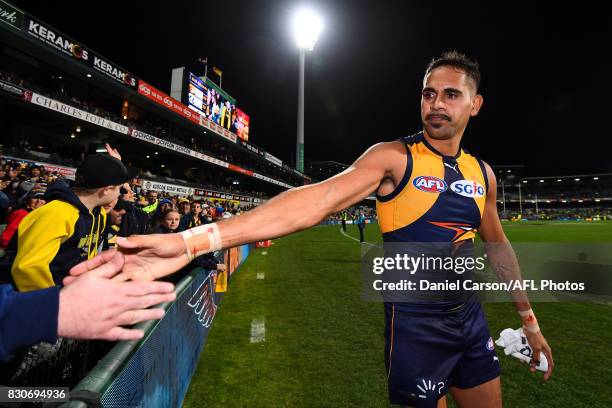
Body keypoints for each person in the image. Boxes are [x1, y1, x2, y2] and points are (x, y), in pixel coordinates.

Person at [97, 51, 553, 408]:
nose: (435, 103)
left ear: (475, 104)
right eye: (427, 93)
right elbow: (317, 199)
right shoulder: (394, 157)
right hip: (418, 328)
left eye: (450, 94)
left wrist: (529, 322)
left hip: (471, 322)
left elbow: (498, 246)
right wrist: (195, 238)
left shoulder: (483, 175)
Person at [0, 249, 176, 363]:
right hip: (41, 311)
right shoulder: (58, 212)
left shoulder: (96, 215)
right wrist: (51, 307)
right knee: (16, 388)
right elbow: (25, 267)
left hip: (49, 313)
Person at [10, 154, 136, 291]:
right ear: (106, 190)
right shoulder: (56, 213)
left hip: (75, 291)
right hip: (48, 301)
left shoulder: (98, 214)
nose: (120, 194)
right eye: (119, 189)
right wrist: (58, 302)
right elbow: (28, 269)